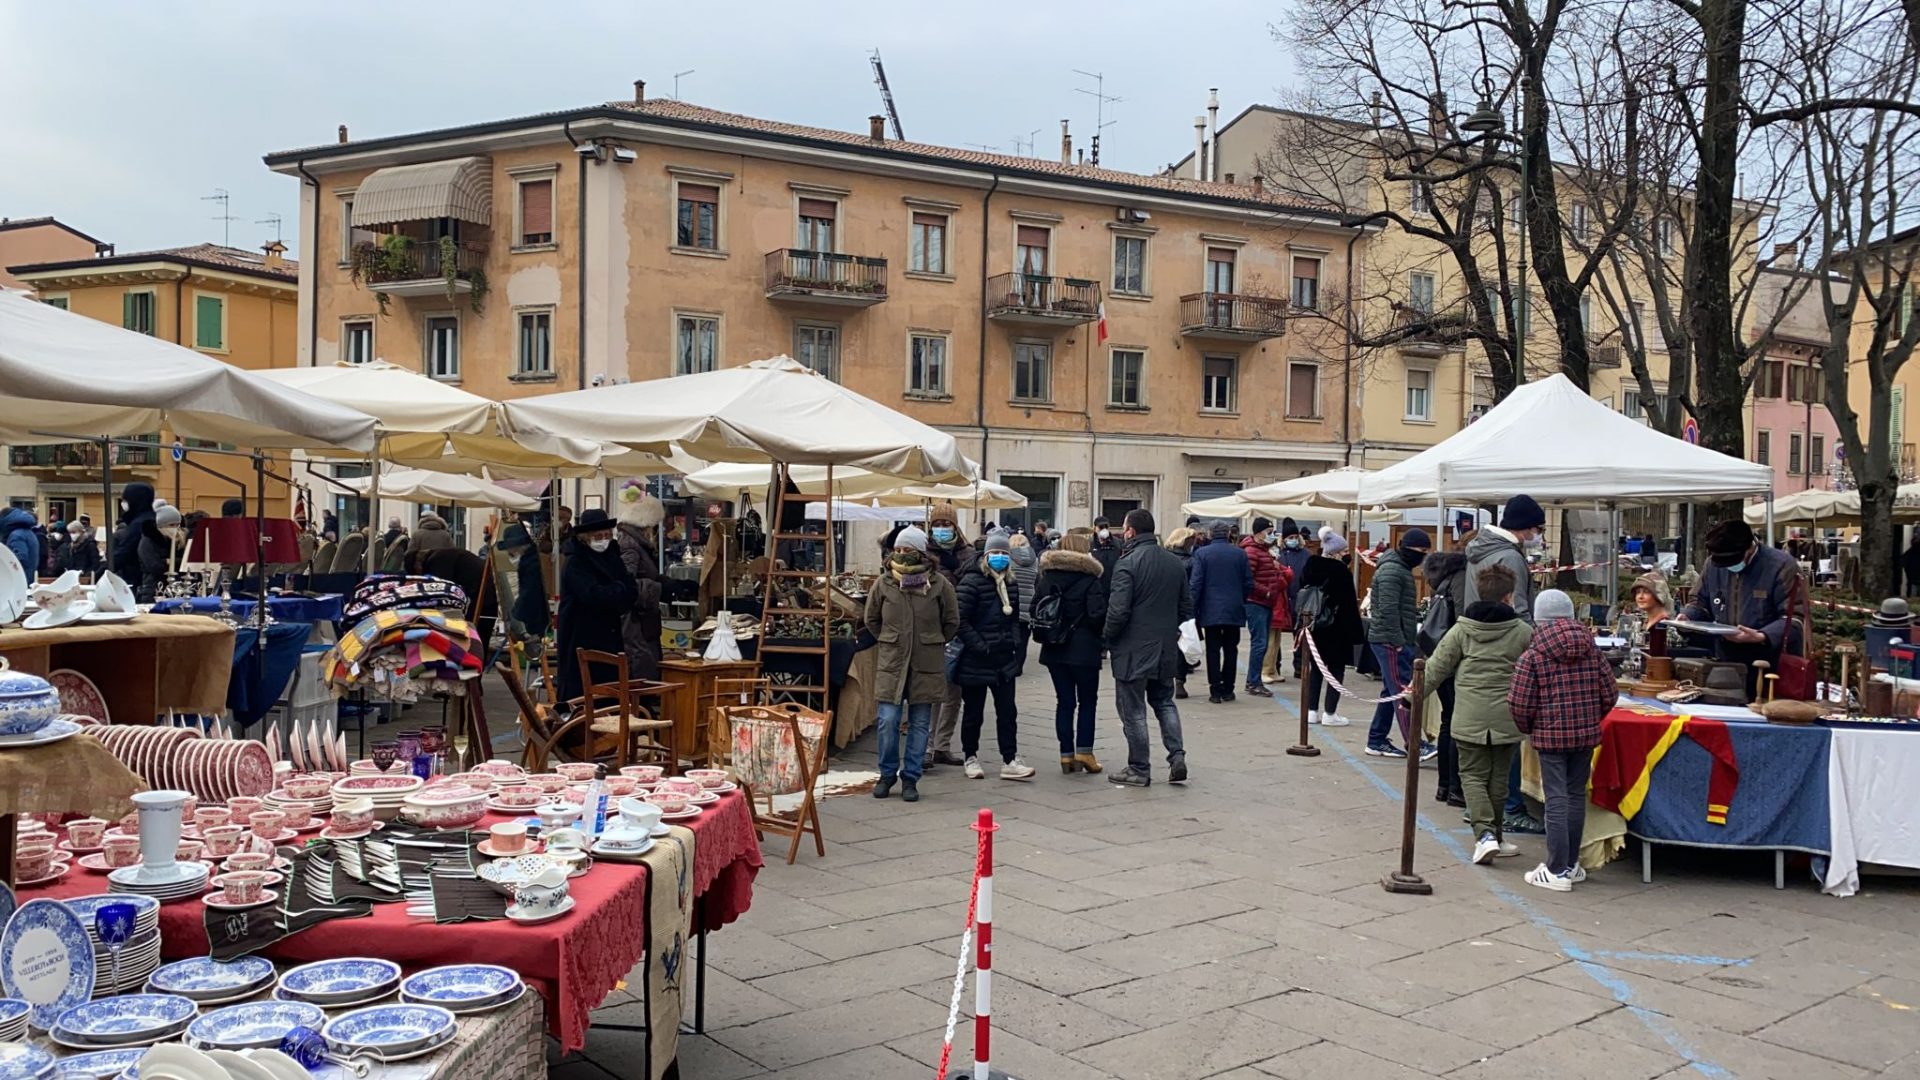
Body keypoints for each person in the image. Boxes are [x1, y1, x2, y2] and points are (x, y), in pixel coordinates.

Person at [1422, 563, 1533, 865]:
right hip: (1507, 715)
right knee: (1498, 779)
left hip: (1469, 713)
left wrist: (1412, 696)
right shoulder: (1523, 631)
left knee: (1471, 775)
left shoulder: (1462, 630)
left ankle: (1485, 835)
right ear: (1509, 597)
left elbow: (1436, 666)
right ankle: (1494, 835)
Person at [1510, 589, 1619, 891]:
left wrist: (1530, 727)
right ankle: (1571, 865)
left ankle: (1556, 869)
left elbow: (1520, 703)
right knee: (1574, 797)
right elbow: (1610, 694)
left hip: (1549, 736)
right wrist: (1591, 718)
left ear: (1539, 619)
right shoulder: (1592, 650)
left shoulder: (1532, 655)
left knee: (1556, 799)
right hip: (1584, 735)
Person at [864, 526, 958, 802]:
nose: (902, 554)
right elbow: (871, 620)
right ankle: (887, 773)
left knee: (919, 724)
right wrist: (889, 639)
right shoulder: (884, 583)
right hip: (893, 661)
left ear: (921, 552)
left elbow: (951, 622)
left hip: (925, 661)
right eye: (899, 549)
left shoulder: (939, 584)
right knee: (887, 720)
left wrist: (932, 641)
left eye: (908, 550)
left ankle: (911, 778)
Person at [1103, 509, 1191, 786]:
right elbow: (1186, 607)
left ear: (1130, 531)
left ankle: (1139, 768)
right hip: (1165, 645)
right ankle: (1177, 756)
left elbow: (1118, 611)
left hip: (1133, 647)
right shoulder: (1174, 562)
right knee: (1164, 702)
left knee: (1133, 710)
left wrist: (1107, 638)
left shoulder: (1127, 564)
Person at [952, 532, 1034, 781]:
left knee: (1008, 711)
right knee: (973, 712)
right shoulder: (971, 582)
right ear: (986, 555)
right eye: (995, 553)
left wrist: (1014, 642)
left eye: (1003, 554)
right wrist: (980, 644)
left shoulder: (1011, 583)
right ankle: (970, 756)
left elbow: (1014, 617)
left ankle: (1009, 759)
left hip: (1003, 659)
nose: (999, 558)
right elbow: (960, 620)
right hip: (976, 659)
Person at [1677, 519, 1800, 682]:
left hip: (1769, 664)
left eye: (1733, 561)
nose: (1729, 567)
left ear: (1750, 548)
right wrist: (1687, 617)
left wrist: (1762, 635)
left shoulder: (1781, 566)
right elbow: (1699, 601)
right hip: (1725, 659)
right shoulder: (1712, 565)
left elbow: (1795, 618)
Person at [1034, 531, 1108, 774]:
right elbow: (1097, 616)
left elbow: (1036, 608)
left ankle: (1066, 754)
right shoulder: (1090, 579)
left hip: (1055, 648)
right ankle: (1084, 751)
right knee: (1088, 701)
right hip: (1084, 649)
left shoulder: (1046, 577)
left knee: (1064, 702)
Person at [554, 508, 637, 707]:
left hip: (609, 634)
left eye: (607, 535)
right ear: (585, 537)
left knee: (609, 688)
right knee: (582, 689)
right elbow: (593, 595)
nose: (603, 540)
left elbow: (632, 591)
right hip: (580, 634)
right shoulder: (575, 561)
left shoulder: (612, 555)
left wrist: (616, 591)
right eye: (598, 536)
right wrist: (618, 589)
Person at [1366, 528, 1430, 759]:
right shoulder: (1394, 570)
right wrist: (1399, 643)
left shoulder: (1397, 568)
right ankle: (1415, 745)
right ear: (1408, 548)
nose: (1422, 555)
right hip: (1390, 640)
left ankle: (1376, 739)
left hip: (1390, 638)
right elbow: (1389, 609)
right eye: (1421, 551)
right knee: (1403, 693)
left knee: (1390, 690)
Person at [924, 502, 978, 769]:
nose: (942, 529)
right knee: (932, 691)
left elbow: (973, 586)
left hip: (959, 630)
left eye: (946, 524)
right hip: (932, 630)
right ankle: (927, 746)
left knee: (953, 693)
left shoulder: (969, 553)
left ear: (955, 526)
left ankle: (942, 746)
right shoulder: (924, 551)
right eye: (938, 525)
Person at [1421, 547, 1470, 807]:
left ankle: (1443, 785)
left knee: (1447, 720)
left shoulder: (1442, 578)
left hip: (1439, 653)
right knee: (1455, 722)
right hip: (1454, 657)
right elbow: (1464, 620)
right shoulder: (1461, 577)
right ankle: (1454, 787)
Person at [1299, 531, 1363, 725]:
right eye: (1344, 550)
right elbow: (1349, 604)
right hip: (1336, 628)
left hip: (1313, 625)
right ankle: (1330, 713)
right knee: (1336, 670)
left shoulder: (1310, 566)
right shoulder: (1341, 571)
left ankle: (1311, 711)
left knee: (1316, 668)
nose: (1347, 554)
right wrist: (1356, 633)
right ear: (1335, 552)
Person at [1190, 521, 1253, 703]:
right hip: (1234, 607)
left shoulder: (1202, 554)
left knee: (1213, 650)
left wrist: (1193, 608)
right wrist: (1240, 599)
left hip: (1210, 609)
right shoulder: (1240, 554)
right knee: (1231, 649)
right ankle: (1229, 688)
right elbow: (1248, 582)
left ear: (1210, 534)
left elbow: (1196, 584)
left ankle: (1215, 690)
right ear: (1227, 534)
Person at [612, 486, 666, 682]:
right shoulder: (630, 545)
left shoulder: (634, 543)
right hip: (635, 624)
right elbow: (626, 584)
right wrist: (660, 589)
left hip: (642, 622)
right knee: (642, 675)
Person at [1465, 494, 1544, 619]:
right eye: (1539, 530)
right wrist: (1530, 634)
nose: (1540, 536)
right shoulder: (1510, 557)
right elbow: (1518, 607)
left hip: (1478, 629)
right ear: (1525, 528)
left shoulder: (1481, 548)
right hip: (1504, 633)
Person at [1239, 517, 1285, 699]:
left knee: (1262, 643)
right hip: (1256, 602)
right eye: (1269, 531)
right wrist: (1266, 592)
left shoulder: (1264, 550)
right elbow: (1248, 579)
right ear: (1259, 532)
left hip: (1265, 602)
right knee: (1260, 643)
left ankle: (1254, 680)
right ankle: (1253, 682)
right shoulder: (1252, 551)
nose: (1271, 535)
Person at [1163, 526, 1202, 699]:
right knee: (1182, 643)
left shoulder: (1164, 558)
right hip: (1183, 607)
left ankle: (1166, 678)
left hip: (1164, 605)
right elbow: (1193, 587)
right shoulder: (1192, 561)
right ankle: (1180, 680)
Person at [1275, 518, 1312, 682]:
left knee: (1301, 635)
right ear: (1284, 539)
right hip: (1282, 600)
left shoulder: (1306, 555)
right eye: (1290, 537)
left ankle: (1300, 667)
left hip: (1301, 600)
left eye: (1295, 537)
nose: (1293, 540)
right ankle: (1275, 666)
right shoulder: (1278, 554)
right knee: (1276, 635)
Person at [136, 504, 183, 602]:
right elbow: (154, 566)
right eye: (171, 525)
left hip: (175, 588)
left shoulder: (179, 541)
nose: (175, 528)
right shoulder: (148, 541)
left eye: (177, 525)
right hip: (153, 589)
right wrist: (171, 562)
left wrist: (168, 561)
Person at [1007, 532, 1039, 668]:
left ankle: (1009, 664)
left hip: (1011, 600)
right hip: (1029, 602)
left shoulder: (1008, 558)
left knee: (1010, 635)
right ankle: (1019, 666)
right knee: (1024, 637)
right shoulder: (1035, 560)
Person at [0, 505, 40, 581]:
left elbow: (19, 560)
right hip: (27, 578)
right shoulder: (27, 532)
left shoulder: (16, 535)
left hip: (19, 582)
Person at [1089, 516, 1122, 585]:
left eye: (1106, 527)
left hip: (1113, 583)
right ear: (1095, 529)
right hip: (1096, 584)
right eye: (1101, 527)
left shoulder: (1117, 543)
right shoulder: (1089, 545)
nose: (1104, 530)